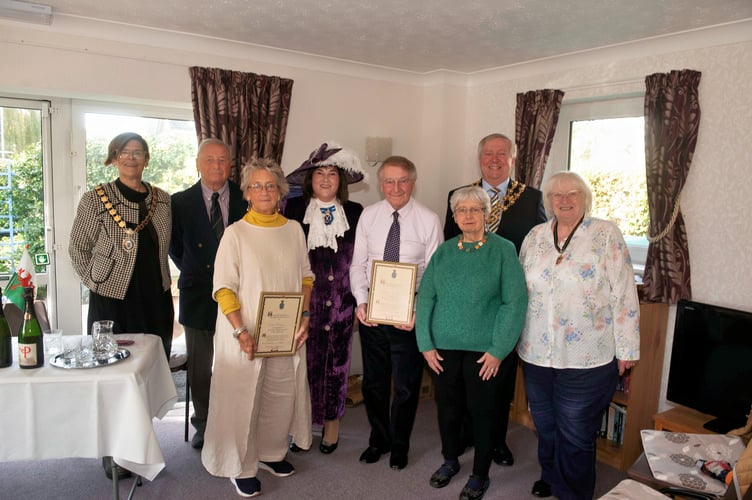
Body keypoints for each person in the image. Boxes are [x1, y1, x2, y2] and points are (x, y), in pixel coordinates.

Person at [517, 171, 640, 500]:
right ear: (549, 201)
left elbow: (625, 294)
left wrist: (627, 348)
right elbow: (518, 290)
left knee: (575, 431)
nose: (565, 200)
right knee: (545, 425)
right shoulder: (535, 236)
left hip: (587, 355)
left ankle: (573, 492)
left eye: (573, 194)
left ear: (585, 198)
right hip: (536, 353)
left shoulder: (605, 234)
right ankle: (551, 474)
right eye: (557, 195)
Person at [201, 158, 313, 498]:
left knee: (279, 393)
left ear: (280, 192)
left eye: (270, 185)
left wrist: (305, 316)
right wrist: (240, 331)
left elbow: (306, 276)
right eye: (256, 186)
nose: (264, 191)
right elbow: (223, 287)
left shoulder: (293, 229)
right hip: (244, 332)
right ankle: (240, 465)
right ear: (246, 193)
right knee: (242, 398)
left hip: (285, 332)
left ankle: (270, 452)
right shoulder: (235, 234)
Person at [69, 131, 174, 479]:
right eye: (124, 152)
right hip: (113, 302)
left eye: (138, 152)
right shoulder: (95, 199)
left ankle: (139, 444)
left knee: (144, 373)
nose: (132, 158)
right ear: (113, 158)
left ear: (146, 159)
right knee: (113, 376)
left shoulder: (163, 200)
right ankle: (113, 451)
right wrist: (97, 282)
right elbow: (78, 250)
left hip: (155, 298)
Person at [417, 186, 528, 500]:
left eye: (474, 209)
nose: (468, 215)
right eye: (461, 211)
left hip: (485, 352)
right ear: (454, 217)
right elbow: (426, 298)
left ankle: (480, 474)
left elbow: (514, 302)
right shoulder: (445, 251)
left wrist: (498, 350)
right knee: (448, 409)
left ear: (486, 214)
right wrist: (425, 344)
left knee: (483, 412)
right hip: (443, 350)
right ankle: (450, 460)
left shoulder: (503, 249)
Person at [443, 133, 546, 467]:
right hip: (466, 302)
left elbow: (540, 247)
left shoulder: (532, 198)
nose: (495, 159)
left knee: (499, 376)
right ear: (479, 158)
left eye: (502, 154)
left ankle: (496, 440)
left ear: (513, 159)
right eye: (488, 154)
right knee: (462, 377)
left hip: (505, 303)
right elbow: (449, 247)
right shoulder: (459, 196)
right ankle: (465, 436)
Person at [350, 155, 443, 470]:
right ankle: (379, 440)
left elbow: (434, 273)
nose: (395, 187)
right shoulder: (369, 216)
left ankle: (400, 445)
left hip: (409, 316)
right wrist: (361, 302)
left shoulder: (429, 220)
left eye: (402, 180)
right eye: (388, 181)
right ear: (380, 184)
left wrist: (419, 310)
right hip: (373, 313)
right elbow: (358, 264)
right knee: (374, 383)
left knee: (405, 385)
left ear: (413, 182)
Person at [283, 141, 365, 454]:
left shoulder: (355, 213)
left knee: (336, 366)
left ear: (341, 181)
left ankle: (332, 425)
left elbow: (363, 260)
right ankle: (300, 427)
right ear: (310, 179)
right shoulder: (292, 209)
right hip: (305, 304)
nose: (326, 179)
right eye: (320, 173)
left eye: (332, 173)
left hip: (342, 305)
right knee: (302, 365)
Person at [169, 138, 247, 450]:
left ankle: (237, 420)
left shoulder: (247, 197)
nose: (216, 165)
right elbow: (175, 247)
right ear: (198, 164)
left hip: (240, 294)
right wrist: (199, 269)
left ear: (231, 165)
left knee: (239, 362)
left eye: (222, 160)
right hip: (198, 293)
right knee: (201, 367)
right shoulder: (179, 201)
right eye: (209, 160)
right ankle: (204, 423)